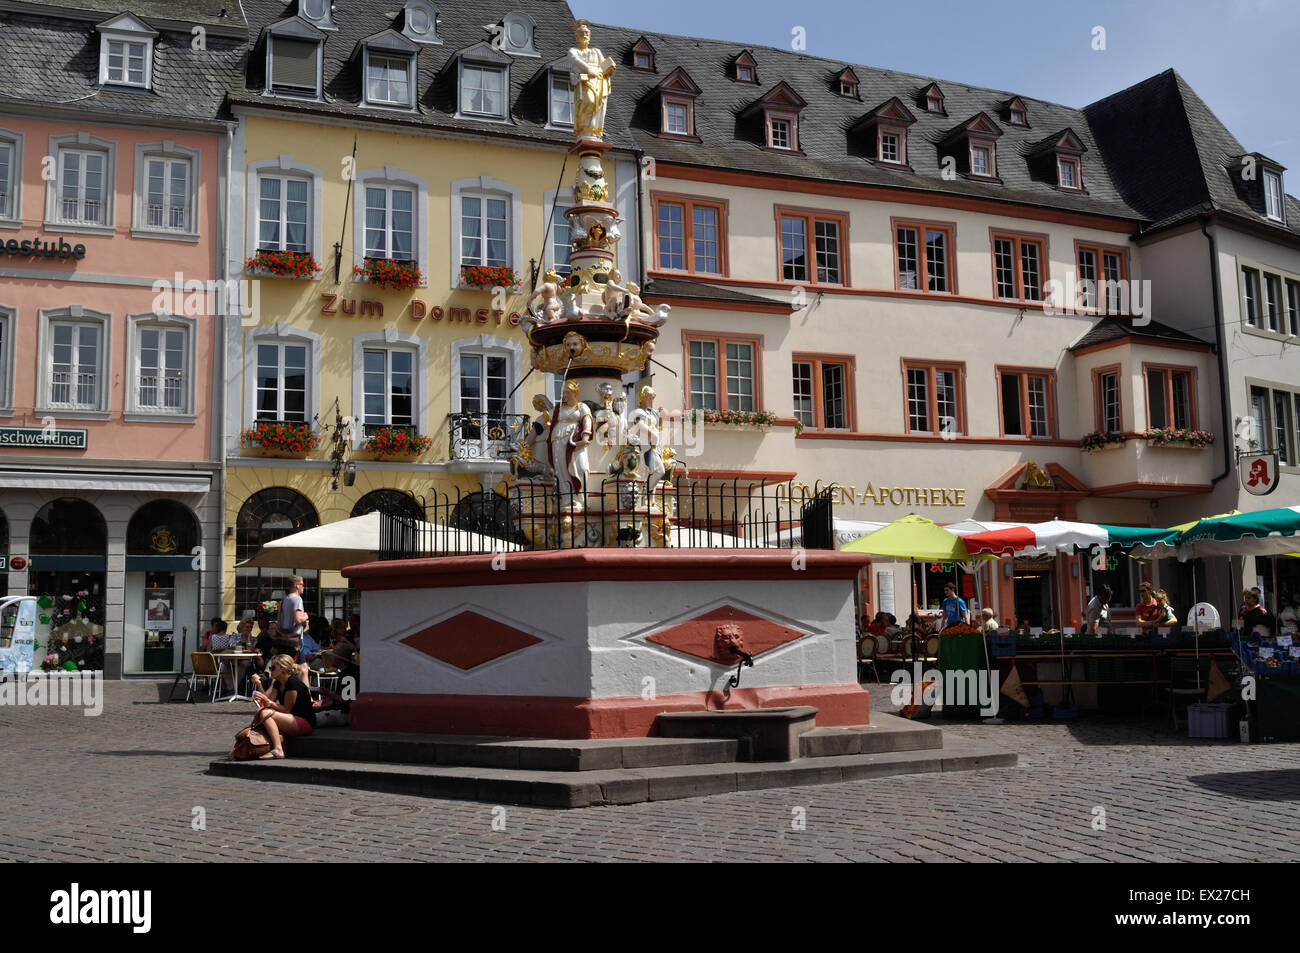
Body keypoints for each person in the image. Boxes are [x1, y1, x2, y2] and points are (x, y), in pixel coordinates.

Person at [249, 655, 316, 758]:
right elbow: (269, 702)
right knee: (263, 711)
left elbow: (286, 709)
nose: (270, 670)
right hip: (290, 718)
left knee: (265, 713)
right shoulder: (278, 683)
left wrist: (268, 703)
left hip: (303, 721)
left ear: (283, 669)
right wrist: (259, 685)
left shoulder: (293, 683)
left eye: (273, 668)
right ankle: (254, 743)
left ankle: (278, 749)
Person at [276, 576, 308, 658]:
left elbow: (279, 620)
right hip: (294, 640)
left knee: (302, 667)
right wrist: (305, 616)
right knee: (294, 666)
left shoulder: (284, 600)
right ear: (297, 585)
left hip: (284, 639)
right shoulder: (297, 599)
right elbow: (298, 619)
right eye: (303, 584)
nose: (304, 587)